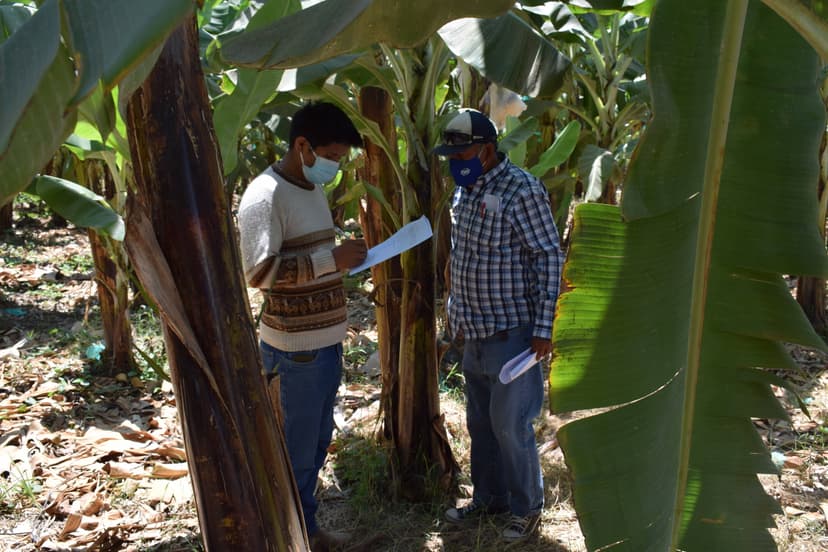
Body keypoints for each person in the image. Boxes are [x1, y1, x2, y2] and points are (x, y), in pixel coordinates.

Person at [237, 101, 366, 551]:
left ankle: (307, 532)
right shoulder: (264, 195)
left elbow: (310, 262)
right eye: (331, 156)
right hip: (296, 350)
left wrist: (342, 262)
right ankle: (291, 537)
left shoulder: (311, 190)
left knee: (314, 448)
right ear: (302, 146)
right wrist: (333, 259)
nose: (335, 166)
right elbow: (258, 273)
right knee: (296, 455)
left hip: (325, 343)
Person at [434, 109, 562, 542]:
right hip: (475, 333)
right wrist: (456, 316)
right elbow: (462, 258)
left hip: (514, 334)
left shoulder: (521, 190)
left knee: (512, 426)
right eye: (450, 155)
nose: (456, 162)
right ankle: (489, 498)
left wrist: (544, 328)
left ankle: (526, 509)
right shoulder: (463, 192)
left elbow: (547, 256)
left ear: (487, 150)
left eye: (463, 153)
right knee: (481, 423)